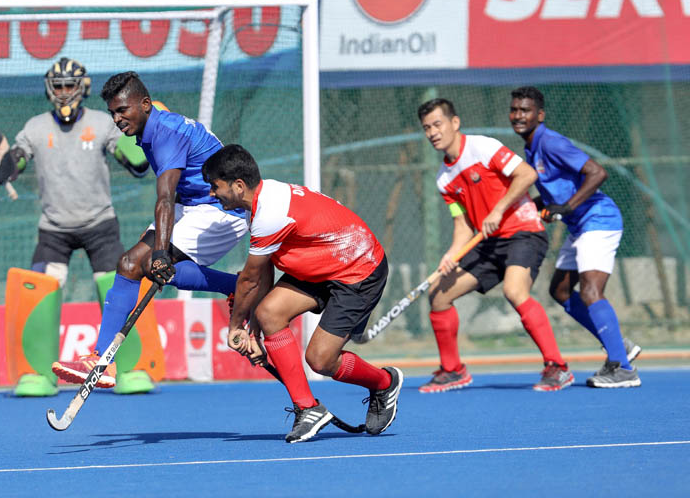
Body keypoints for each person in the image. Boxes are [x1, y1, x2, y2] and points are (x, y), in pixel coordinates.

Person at [52, 71, 249, 389]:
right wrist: (158, 255)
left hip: (221, 211)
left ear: (144, 104)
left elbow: (165, 197)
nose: (117, 119)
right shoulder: (148, 125)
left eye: (122, 110)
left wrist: (159, 251)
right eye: (113, 112)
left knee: (147, 263)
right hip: (193, 205)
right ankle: (104, 361)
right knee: (130, 265)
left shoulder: (165, 133)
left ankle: (242, 287)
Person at [202, 144, 403, 443]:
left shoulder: (271, 213)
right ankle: (307, 407)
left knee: (321, 360)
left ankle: (385, 383)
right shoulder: (257, 206)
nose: (211, 194)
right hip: (322, 264)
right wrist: (254, 330)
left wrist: (236, 326)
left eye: (215, 187)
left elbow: (249, 280)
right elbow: (265, 270)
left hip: (358, 269)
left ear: (239, 185)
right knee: (269, 312)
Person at [8, 57, 154, 396]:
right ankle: (39, 374)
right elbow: (10, 167)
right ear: (49, 89)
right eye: (58, 86)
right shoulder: (34, 127)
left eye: (69, 85)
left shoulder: (105, 123)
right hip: (54, 228)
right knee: (41, 292)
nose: (63, 92)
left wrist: (143, 140)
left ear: (83, 87)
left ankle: (128, 369)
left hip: (99, 224)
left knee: (118, 288)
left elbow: (136, 163)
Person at [417, 98, 573, 393]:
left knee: (515, 291)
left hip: (523, 231)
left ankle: (557, 367)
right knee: (438, 295)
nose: (433, 132)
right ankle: (453, 371)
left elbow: (527, 174)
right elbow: (463, 227)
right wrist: (451, 255)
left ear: (454, 123)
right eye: (427, 128)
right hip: (488, 242)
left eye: (438, 124)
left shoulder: (482, 147)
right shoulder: (444, 179)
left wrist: (499, 209)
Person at [509, 86, 641, 388]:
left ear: (539, 115)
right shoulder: (531, 147)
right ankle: (619, 344)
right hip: (579, 225)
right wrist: (523, 208)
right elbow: (552, 193)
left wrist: (565, 208)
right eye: (514, 109)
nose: (518, 115)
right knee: (561, 291)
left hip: (598, 220)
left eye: (525, 110)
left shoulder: (551, 142)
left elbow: (597, 172)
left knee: (590, 291)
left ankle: (623, 368)